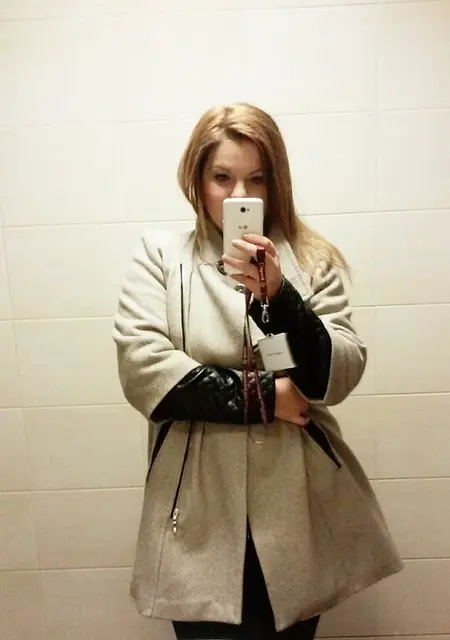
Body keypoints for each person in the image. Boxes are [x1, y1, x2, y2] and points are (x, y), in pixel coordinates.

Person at [113, 103, 402, 640]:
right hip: (197, 506)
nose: (239, 194)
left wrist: (278, 297)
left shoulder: (311, 261)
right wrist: (267, 397)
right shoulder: (161, 257)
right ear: (197, 181)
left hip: (296, 505)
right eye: (222, 177)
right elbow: (142, 367)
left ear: (276, 184)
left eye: (257, 179)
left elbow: (338, 375)